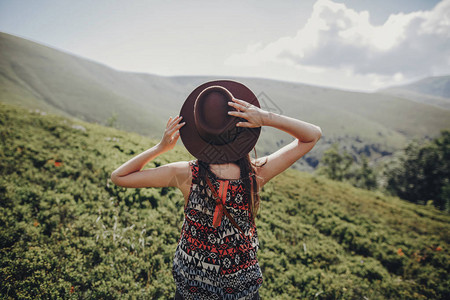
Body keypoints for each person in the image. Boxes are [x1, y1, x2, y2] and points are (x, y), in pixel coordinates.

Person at [111, 80, 322, 300]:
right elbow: (312, 135)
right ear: (242, 132)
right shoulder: (255, 174)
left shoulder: (186, 174)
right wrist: (264, 117)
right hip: (241, 288)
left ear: (199, 133)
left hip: (192, 286)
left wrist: (160, 147)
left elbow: (119, 176)